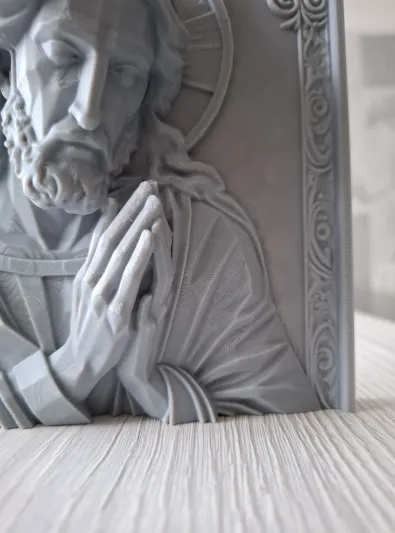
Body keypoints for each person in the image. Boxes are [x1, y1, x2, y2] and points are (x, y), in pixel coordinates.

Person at [0, 0, 319, 429]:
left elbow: (289, 410)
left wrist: (152, 386)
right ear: (7, 71)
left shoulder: (198, 242)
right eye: (64, 57)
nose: (89, 112)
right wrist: (76, 364)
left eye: (125, 73)